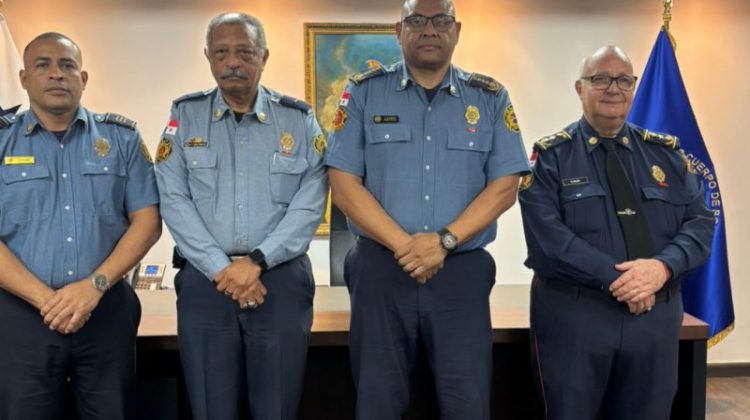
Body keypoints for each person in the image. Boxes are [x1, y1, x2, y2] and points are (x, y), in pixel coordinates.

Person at [325, 0, 530, 418]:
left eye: (440, 21)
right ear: (398, 30)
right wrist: (407, 247)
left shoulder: (490, 97)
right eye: (416, 20)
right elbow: (343, 185)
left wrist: (444, 242)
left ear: (457, 30)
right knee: (378, 402)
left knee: (467, 403)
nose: (429, 30)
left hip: (461, 272)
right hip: (381, 270)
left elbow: (505, 186)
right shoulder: (363, 92)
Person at [519, 46, 715, 419]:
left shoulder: (666, 155)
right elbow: (549, 241)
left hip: (654, 321)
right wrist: (626, 281)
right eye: (601, 79)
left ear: (634, 88)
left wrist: (660, 269)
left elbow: (701, 223)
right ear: (579, 88)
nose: (613, 88)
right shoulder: (552, 157)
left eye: (624, 80)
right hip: (577, 318)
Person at [155, 12, 328, 420]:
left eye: (245, 52)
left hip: (279, 281)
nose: (233, 61)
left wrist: (257, 262)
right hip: (206, 282)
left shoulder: (298, 119)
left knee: (277, 407)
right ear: (208, 57)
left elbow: (311, 200)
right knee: (211, 407)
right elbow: (173, 200)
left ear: (264, 57)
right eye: (222, 52)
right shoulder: (185, 117)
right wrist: (222, 268)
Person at [0, 32, 161, 420]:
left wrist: (93, 287)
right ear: (23, 78)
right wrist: (46, 300)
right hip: (21, 314)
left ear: (83, 78)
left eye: (67, 65)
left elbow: (148, 220)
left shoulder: (121, 139)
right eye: (43, 65)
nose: (56, 73)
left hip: (105, 308)